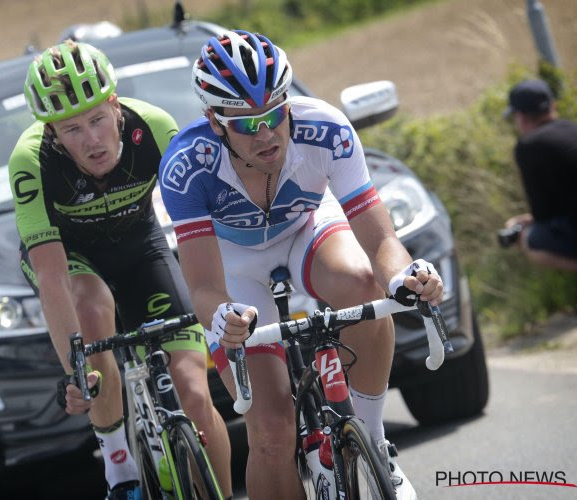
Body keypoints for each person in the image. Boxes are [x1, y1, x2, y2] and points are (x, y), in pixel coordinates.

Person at [158, 30, 443, 499]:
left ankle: (373, 442)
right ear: (214, 121)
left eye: (275, 114)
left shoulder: (326, 128)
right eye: (246, 125)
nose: (266, 134)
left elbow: (381, 240)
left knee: (360, 281)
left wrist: (404, 277)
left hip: (307, 231)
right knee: (271, 433)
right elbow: (205, 286)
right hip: (235, 268)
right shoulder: (188, 165)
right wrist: (224, 318)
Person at [8, 40, 232, 499]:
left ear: (116, 105)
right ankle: (119, 466)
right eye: (71, 130)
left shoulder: (154, 127)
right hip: (71, 259)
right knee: (92, 305)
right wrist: (74, 371)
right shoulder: (31, 162)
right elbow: (51, 276)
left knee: (193, 392)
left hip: (139, 247)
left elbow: (205, 223)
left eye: (97, 120)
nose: (91, 140)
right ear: (51, 132)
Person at [501, 79, 577, 312]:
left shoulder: (529, 145)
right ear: (553, 106)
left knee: (530, 240)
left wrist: (522, 222)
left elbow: (544, 212)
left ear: (519, 116)